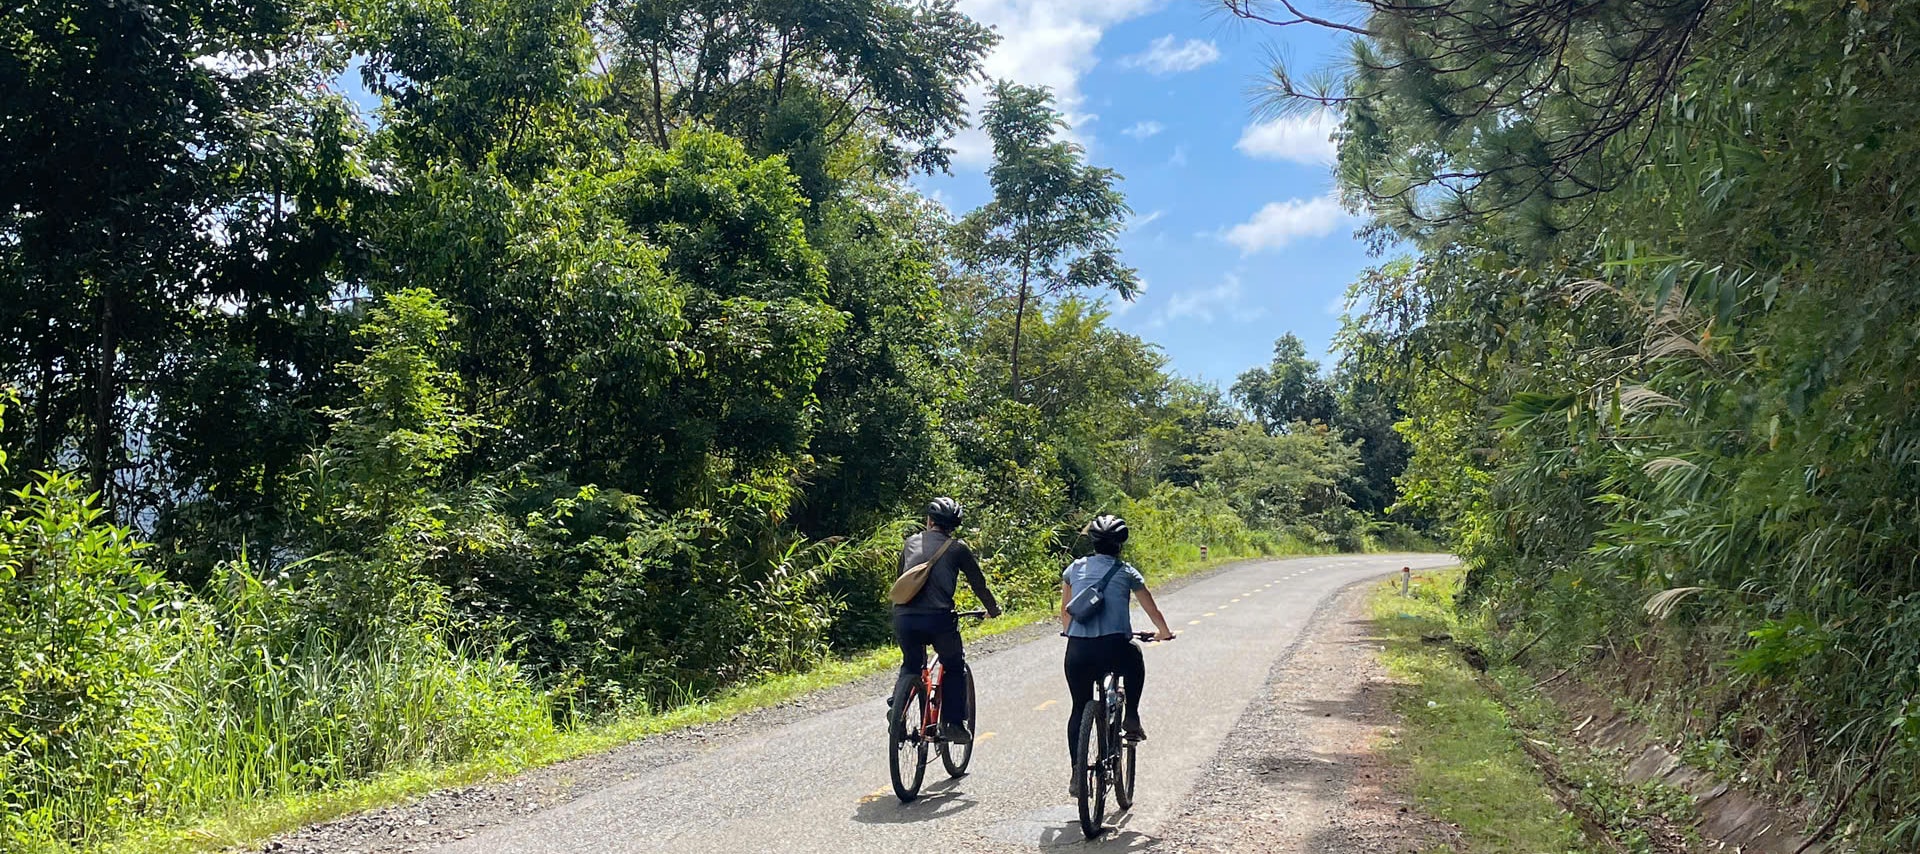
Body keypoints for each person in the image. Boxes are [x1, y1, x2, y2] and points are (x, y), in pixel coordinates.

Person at [1060, 514, 1173, 793]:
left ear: (1093, 542)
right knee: (1134, 657)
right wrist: (1163, 632)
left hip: (1078, 650)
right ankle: (1131, 716)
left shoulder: (1073, 569)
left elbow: (1065, 613)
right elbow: (1151, 607)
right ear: (1120, 546)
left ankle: (1077, 773)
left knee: (1078, 707)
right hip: (1114, 648)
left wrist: (1071, 632)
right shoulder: (1126, 572)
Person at [895, 497, 1000, 744]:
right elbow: (979, 585)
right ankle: (953, 723)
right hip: (939, 619)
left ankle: (897, 710)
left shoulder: (911, 542)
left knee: (911, 664)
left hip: (904, 617)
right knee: (953, 665)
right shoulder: (957, 549)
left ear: (929, 521)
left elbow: (901, 579)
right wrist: (992, 609)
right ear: (953, 526)